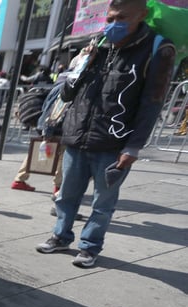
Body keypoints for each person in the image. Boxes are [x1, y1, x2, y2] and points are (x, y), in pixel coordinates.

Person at [36, 0, 176, 268]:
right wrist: (82, 64)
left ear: (142, 15)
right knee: (66, 195)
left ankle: (89, 246)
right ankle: (61, 235)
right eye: (110, 18)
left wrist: (133, 148)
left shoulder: (158, 49)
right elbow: (68, 93)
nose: (112, 25)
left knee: (103, 202)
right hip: (78, 136)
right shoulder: (99, 44)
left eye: (121, 18)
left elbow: (152, 103)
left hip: (114, 143)